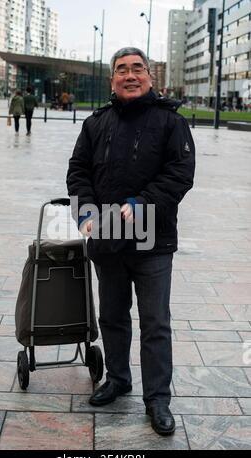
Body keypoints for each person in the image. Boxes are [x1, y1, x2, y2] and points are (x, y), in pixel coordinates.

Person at [67, 47, 195, 436]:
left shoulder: (170, 123)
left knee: (155, 322)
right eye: (121, 70)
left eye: (137, 68)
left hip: (153, 240)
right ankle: (118, 379)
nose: (130, 75)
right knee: (112, 316)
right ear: (113, 80)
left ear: (150, 77)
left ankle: (158, 398)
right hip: (107, 237)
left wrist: (142, 202)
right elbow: (78, 172)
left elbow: (180, 173)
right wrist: (85, 213)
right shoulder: (95, 124)